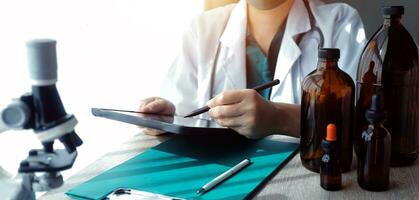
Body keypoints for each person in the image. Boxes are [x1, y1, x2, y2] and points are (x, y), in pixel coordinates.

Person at [138, 0, 366, 139]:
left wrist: (279, 118)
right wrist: (165, 117)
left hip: (304, 178)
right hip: (219, 177)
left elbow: (356, 121)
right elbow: (183, 113)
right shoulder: (203, 28)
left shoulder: (340, 22)